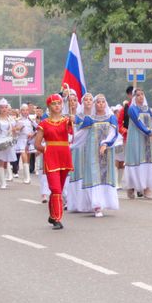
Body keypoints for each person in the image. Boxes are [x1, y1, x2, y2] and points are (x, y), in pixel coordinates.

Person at [75, 94, 121, 217]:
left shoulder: (111, 118)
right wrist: (68, 142)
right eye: (98, 102)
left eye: (103, 102)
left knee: (105, 175)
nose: (100, 104)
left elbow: (113, 133)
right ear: (95, 104)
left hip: (106, 151)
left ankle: (105, 202)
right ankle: (96, 206)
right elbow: (80, 135)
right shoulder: (89, 119)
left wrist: (105, 144)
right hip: (92, 152)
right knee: (95, 175)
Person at [34, 94, 73, 229]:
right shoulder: (44, 124)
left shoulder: (67, 121)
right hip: (51, 157)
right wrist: (47, 150)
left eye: (59, 103)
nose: (57, 106)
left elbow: (75, 132)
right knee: (55, 189)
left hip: (65, 156)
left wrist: (73, 120)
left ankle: (52, 215)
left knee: (59, 189)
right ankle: (57, 219)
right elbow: (37, 144)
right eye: (54, 104)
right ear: (49, 106)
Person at [124, 88, 152, 199]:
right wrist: (150, 133)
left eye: (142, 94)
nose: (140, 96)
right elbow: (138, 122)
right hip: (136, 138)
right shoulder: (132, 109)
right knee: (136, 160)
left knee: (148, 160)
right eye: (138, 95)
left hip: (148, 139)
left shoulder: (147, 109)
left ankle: (147, 188)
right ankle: (131, 187)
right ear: (134, 97)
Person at [0, 99, 18, 189]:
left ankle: (1, 179)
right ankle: (3, 182)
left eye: (5, 107)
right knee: (1, 160)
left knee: (6, 161)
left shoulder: (11, 119)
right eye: (2, 107)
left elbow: (14, 132)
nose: (4, 109)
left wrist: (15, 131)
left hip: (8, 141)